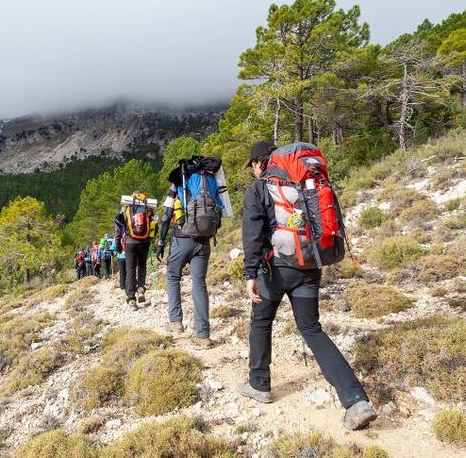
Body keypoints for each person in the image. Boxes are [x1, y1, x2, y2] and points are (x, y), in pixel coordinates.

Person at [237, 140, 377, 431]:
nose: (252, 171)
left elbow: (252, 236)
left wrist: (250, 272)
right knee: (311, 328)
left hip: (274, 270)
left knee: (261, 322)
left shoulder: (260, 188)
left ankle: (259, 383)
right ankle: (356, 400)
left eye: (252, 165)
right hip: (310, 265)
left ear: (259, 163)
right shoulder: (304, 183)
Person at [156, 157, 223, 349]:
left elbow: (167, 215)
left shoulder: (180, 181)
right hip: (204, 241)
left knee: (173, 276)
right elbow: (220, 211)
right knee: (199, 283)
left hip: (182, 238)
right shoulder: (211, 180)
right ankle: (203, 335)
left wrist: (161, 241)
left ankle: (176, 322)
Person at [115, 190, 153, 310]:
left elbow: (118, 228)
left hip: (130, 242)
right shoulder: (147, 207)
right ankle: (141, 289)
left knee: (130, 269)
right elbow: (153, 226)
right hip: (145, 242)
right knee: (142, 266)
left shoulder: (126, 208)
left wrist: (118, 245)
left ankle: (131, 299)